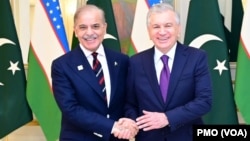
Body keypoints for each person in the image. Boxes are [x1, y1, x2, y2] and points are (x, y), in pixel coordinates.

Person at [124, 3, 212, 141]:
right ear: (149, 32)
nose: (162, 32)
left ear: (178, 29)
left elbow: (204, 101)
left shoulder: (196, 57)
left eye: (168, 25)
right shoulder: (135, 62)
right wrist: (133, 122)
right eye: (156, 27)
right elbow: (129, 103)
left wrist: (167, 118)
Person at [51, 4, 138, 141]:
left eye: (96, 26)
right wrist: (112, 126)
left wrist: (129, 121)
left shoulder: (121, 60)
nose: (89, 32)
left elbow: (129, 100)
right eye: (83, 27)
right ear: (75, 31)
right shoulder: (62, 65)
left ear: (105, 28)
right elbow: (70, 109)